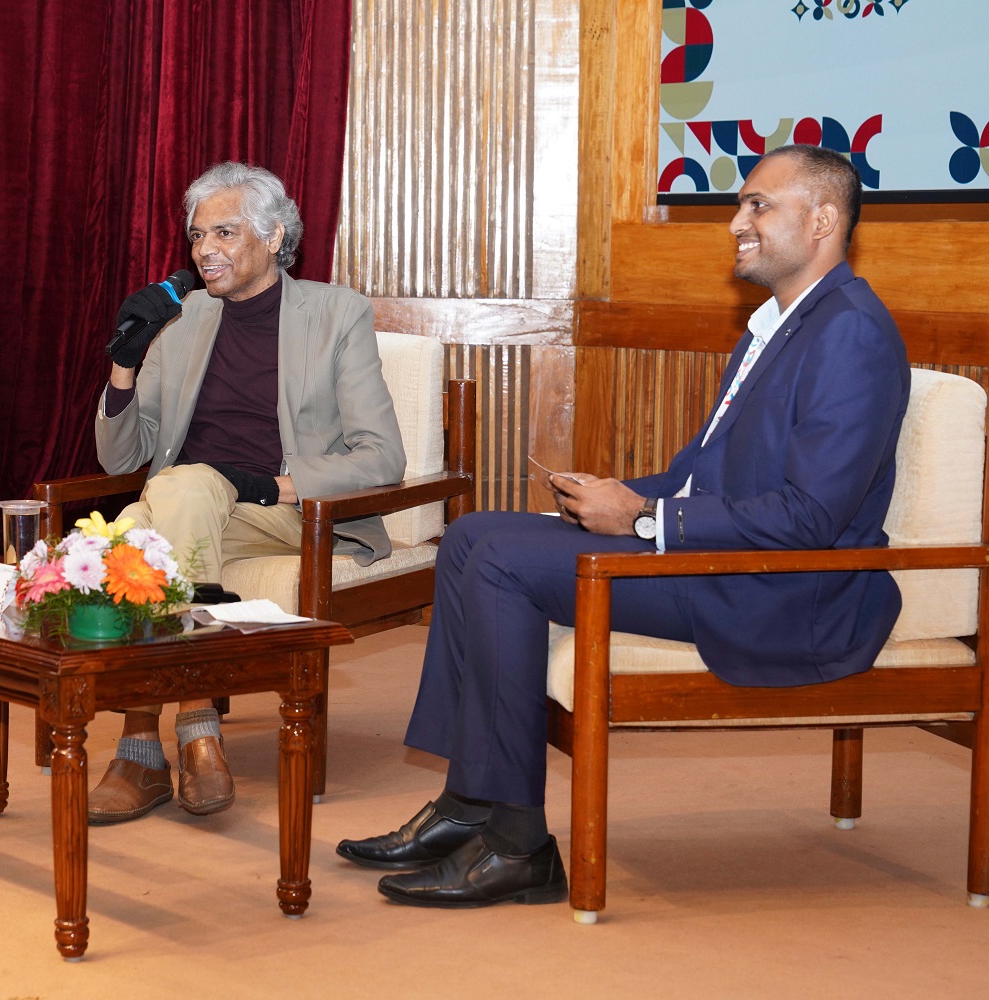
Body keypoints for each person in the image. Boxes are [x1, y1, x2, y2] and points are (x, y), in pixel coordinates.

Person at [336, 145, 910, 907]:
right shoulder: (778, 324)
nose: (738, 222)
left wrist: (643, 519)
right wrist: (611, 497)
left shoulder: (852, 333)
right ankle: (472, 802)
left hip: (785, 591)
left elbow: (811, 516)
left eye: (758, 206)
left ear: (824, 218)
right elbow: (701, 471)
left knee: (502, 560)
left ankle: (517, 845)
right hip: (725, 560)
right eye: (743, 205)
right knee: (473, 536)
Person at [89, 161, 406, 823]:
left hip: (285, 512)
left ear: (274, 236)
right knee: (176, 498)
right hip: (190, 506)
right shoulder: (180, 320)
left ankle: (145, 748)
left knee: (139, 529)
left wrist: (275, 485)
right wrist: (124, 359)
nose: (205, 250)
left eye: (224, 233)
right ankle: (182, 731)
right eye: (198, 236)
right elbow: (121, 454)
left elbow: (383, 458)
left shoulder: (334, 313)